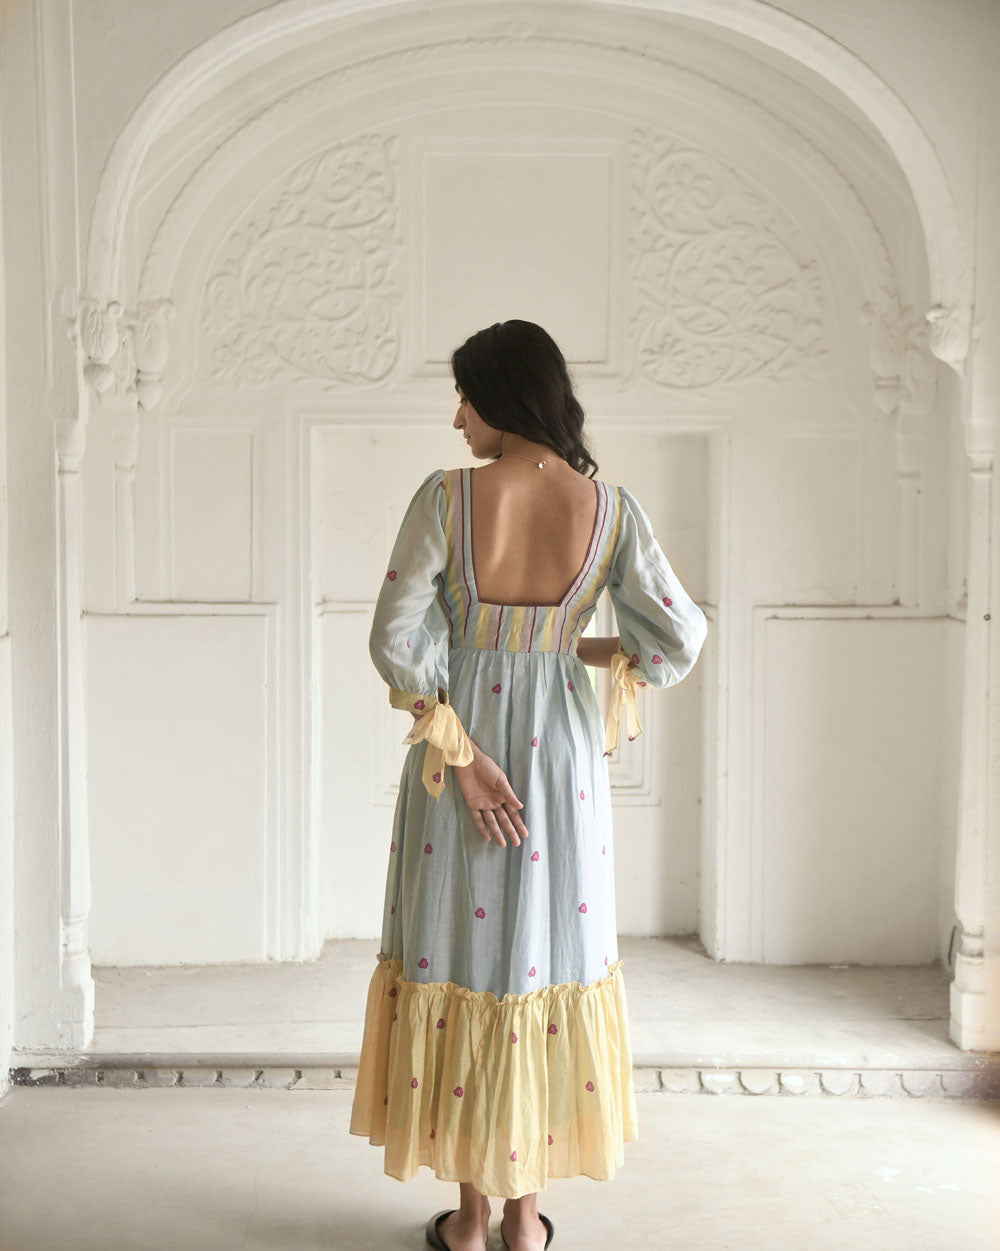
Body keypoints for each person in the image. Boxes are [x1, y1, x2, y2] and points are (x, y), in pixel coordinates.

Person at [350, 320, 708, 1251]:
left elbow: (394, 641)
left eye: (465, 396)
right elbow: (677, 639)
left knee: (463, 963)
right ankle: (523, 1223)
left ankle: (468, 1221)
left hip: (460, 755)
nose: (457, 417)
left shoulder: (448, 497)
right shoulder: (611, 509)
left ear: (503, 398)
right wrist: (563, 646)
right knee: (542, 962)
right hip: (561, 767)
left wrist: (467, 759)